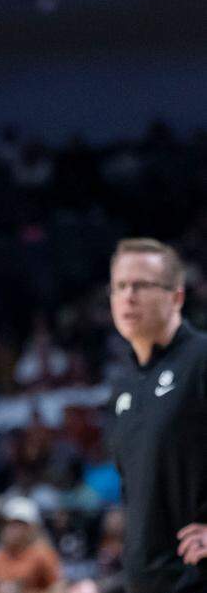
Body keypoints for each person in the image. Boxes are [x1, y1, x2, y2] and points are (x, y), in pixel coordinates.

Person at [98, 239, 206, 593]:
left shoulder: (201, 360)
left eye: (142, 285)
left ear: (176, 297)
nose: (128, 297)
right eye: (120, 286)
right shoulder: (124, 387)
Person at [0, 497, 63, 593]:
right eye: (8, 523)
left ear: (32, 528)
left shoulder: (42, 555)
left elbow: (59, 587)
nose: (12, 529)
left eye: (18, 524)